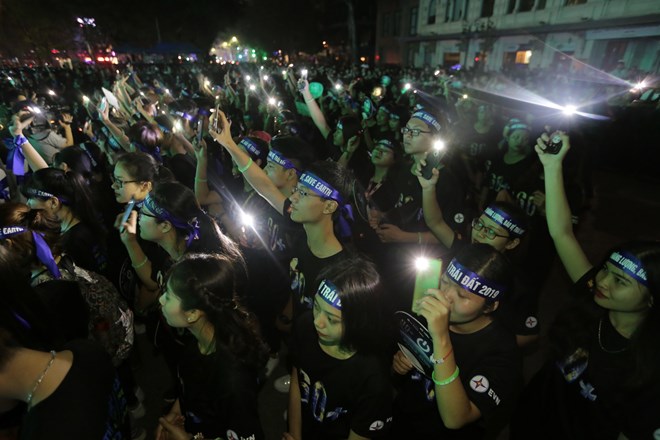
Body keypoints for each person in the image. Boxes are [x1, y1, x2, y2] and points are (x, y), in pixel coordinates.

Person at [510, 133, 660, 439]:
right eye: (606, 269)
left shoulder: (649, 366)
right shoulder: (594, 297)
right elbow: (562, 233)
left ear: (652, 300)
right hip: (531, 421)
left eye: (621, 281)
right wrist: (553, 167)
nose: (602, 281)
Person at [390, 244, 522, 439]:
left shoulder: (503, 353)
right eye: (444, 281)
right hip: (402, 420)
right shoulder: (426, 302)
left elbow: (456, 419)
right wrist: (399, 366)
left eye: (462, 295)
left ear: (490, 306)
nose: (444, 296)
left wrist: (441, 336)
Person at [156, 253, 267, 440]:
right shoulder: (196, 340)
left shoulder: (233, 382)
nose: (161, 300)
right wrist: (176, 411)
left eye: (168, 296)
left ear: (192, 314)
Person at [284, 255, 393, 440]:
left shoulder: (373, 380)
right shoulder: (305, 325)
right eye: (316, 307)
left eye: (332, 319)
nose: (317, 322)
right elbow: (297, 379)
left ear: (359, 322)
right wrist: (295, 433)